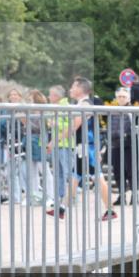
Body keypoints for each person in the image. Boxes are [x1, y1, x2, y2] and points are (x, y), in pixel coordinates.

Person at [54, 77, 115, 221]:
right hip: (85, 146)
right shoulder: (83, 104)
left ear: (81, 89)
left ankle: (111, 211)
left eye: (73, 86)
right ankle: (61, 209)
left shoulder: (85, 104)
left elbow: (74, 126)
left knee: (96, 177)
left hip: (87, 147)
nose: (70, 89)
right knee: (77, 176)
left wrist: (54, 141)